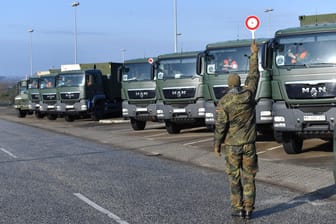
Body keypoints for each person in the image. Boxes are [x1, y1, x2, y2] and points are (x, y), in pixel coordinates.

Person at [214, 40, 259, 220]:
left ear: (229, 84)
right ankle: (249, 209)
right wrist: (254, 54)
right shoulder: (248, 95)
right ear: (239, 83)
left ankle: (237, 207)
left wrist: (217, 145)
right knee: (249, 176)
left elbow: (220, 126)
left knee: (234, 177)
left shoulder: (224, 102)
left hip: (232, 146)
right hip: (249, 144)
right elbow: (254, 75)